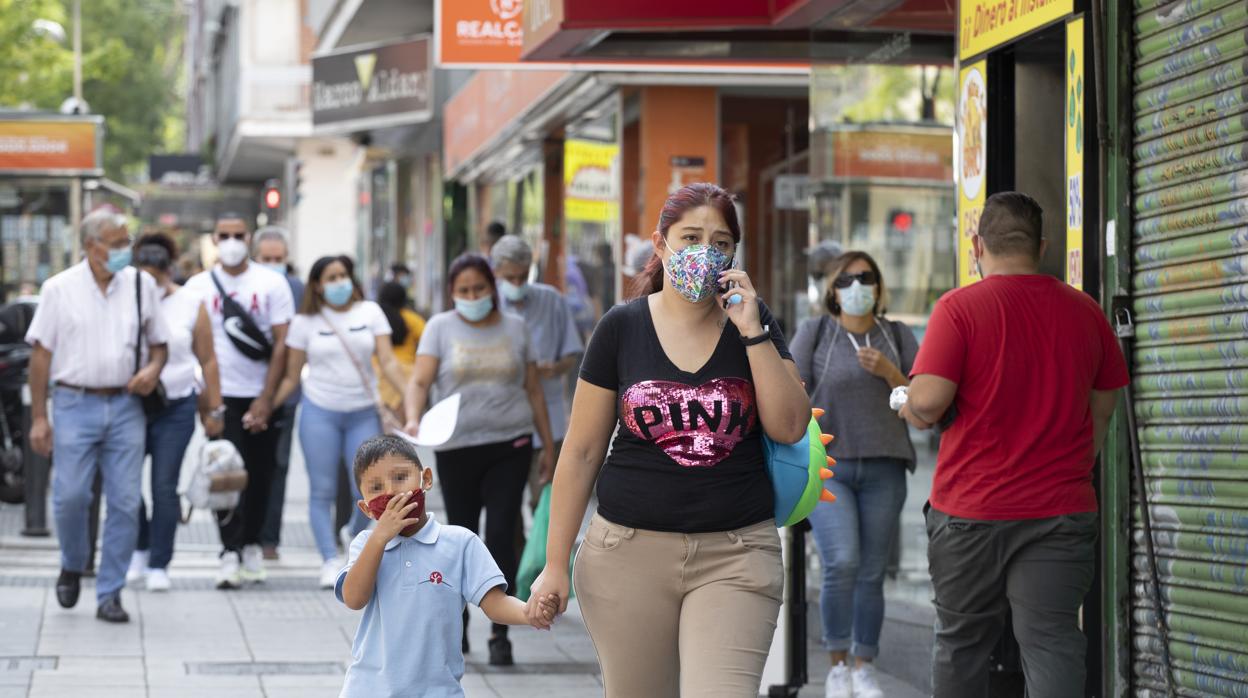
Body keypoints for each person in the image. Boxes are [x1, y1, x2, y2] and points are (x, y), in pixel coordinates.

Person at [526, 183, 812, 697]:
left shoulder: (756, 323)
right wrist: (554, 564)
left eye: (722, 242)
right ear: (661, 245)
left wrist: (751, 330)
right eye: (691, 237)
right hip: (626, 556)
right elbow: (583, 451)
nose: (706, 251)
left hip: (737, 553)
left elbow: (790, 426)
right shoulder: (621, 327)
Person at [899, 192, 1128, 698]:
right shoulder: (1085, 312)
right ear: (1042, 247)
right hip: (1060, 513)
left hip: (972, 513)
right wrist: (1073, 465)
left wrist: (908, 405)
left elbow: (931, 402)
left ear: (978, 245)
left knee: (962, 644)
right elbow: (1106, 404)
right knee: (1052, 643)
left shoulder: (959, 308)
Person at [403, 253, 557, 666]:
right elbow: (419, 380)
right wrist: (414, 418)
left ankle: (500, 632)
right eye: (463, 291)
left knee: (502, 531)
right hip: (456, 447)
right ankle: (458, 625)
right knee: (460, 536)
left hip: (511, 443)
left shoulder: (517, 327)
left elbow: (534, 389)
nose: (472, 297)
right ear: (452, 294)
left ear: (493, 288)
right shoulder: (439, 327)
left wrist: (549, 446)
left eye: (480, 288)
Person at [26, 208, 170, 623]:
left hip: (126, 405)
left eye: (128, 241)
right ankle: (73, 562)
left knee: (125, 502)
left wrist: (152, 369)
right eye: (118, 242)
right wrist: (39, 416)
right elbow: (41, 354)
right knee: (71, 495)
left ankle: (111, 591)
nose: (126, 249)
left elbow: (160, 345)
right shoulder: (59, 289)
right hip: (74, 403)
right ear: (92, 246)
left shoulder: (141, 285)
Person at [336, 435, 559, 698]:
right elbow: (354, 598)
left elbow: (494, 602)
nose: (391, 492)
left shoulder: (460, 543)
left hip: (439, 691)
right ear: (365, 508)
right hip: (369, 690)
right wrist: (379, 538)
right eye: (376, 487)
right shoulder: (365, 544)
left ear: (425, 479)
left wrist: (528, 612)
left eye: (400, 477)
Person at [789, 250, 918, 698]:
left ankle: (865, 663)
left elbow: (921, 402)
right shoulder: (817, 333)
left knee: (871, 570)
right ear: (832, 292)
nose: (856, 287)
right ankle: (837, 662)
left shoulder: (897, 336)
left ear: (879, 288)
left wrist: (890, 373)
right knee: (841, 561)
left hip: (885, 465)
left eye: (865, 278)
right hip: (831, 468)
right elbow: (790, 393)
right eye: (845, 280)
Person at [273, 255, 409, 588]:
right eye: (331, 278)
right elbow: (291, 377)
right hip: (320, 412)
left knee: (367, 489)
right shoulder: (305, 322)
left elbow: (389, 363)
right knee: (321, 490)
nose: (339, 283)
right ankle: (328, 559)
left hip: (363, 412)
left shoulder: (370, 312)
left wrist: (413, 400)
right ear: (318, 285)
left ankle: (353, 536)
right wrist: (268, 406)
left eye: (344, 276)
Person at [184, 213, 294, 589]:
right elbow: (192, 348)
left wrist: (266, 398)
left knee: (262, 473)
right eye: (223, 234)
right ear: (214, 239)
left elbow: (282, 343)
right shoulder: (197, 286)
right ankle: (228, 550)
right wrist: (206, 402)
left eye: (238, 234)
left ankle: (251, 545)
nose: (231, 241)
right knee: (225, 474)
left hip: (262, 394)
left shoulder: (271, 283)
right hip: (221, 395)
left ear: (249, 238)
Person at [127, 233, 226, 591]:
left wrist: (214, 407)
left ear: (169, 271)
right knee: (125, 485)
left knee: (164, 486)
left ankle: (159, 562)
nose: (151, 284)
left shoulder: (190, 303)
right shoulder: (126, 299)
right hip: (133, 403)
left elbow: (208, 359)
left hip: (178, 405)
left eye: (157, 277)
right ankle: (139, 546)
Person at [490, 235, 583, 505]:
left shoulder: (551, 300)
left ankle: (543, 550)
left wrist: (555, 368)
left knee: (543, 500)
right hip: (503, 421)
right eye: (510, 278)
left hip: (548, 420)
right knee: (505, 507)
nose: (517, 284)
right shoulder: (488, 303)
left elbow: (571, 353)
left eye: (522, 276)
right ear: (496, 272)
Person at [252, 226, 303, 561]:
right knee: (244, 464)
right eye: (266, 259)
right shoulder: (243, 288)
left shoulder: (299, 290)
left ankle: (269, 539)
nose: (273, 265)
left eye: (278, 259)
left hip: (285, 393)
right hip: (245, 390)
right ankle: (243, 536)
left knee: (277, 464)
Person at [375, 282, 425, 411]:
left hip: (379, 375)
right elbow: (427, 341)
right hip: (407, 376)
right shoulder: (411, 318)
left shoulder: (375, 319)